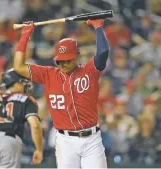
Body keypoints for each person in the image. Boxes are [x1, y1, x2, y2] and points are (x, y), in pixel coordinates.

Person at [13, 19, 109, 168]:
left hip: (91, 139)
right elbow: (18, 67)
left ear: (77, 56)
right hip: (65, 141)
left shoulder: (89, 71)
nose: (63, 64)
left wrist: (98, 27)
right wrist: (25, 36)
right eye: (60, 61)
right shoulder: (49, 74)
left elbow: (103, 52)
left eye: (67, 60)